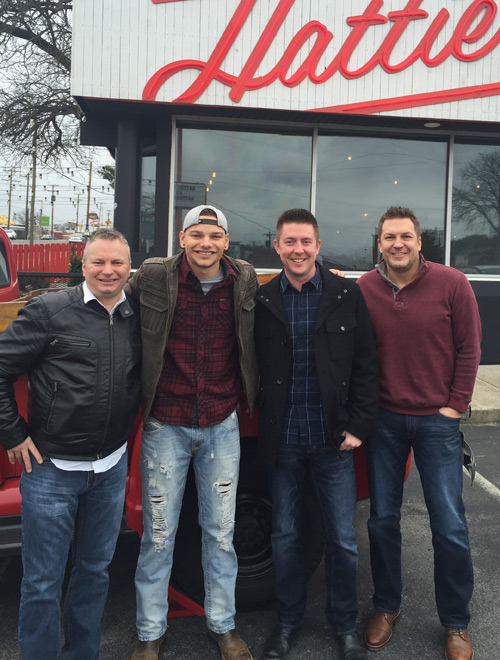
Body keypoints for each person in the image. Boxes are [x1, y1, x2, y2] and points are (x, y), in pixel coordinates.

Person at [0, 228, 141, 660]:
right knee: (42, 583)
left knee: (94, 574)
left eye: (117, 263)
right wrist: (14, 432)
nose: (108, 271)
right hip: (50, 472)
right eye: (98, 262)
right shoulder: (49, 311)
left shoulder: (139, 316)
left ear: (128, 267)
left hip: (111, 468)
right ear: (82, 266)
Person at [126, 205, 258, 660]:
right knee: (159, 533)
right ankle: (149, 632)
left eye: (215, 235)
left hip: (222, 421)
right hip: (166, 422)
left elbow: (281, 290)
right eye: (197, 234)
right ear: (181, 238)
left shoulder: (242, 278)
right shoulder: (152, 276)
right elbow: (108, 295)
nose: (206, 243)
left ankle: (222, 626)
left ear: (226, 241)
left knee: (220, 532)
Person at [254, 209, 379, 660]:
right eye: (289, 242)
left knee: (342, 538)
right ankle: (287, 624)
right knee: (284, 536)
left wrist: (358, 427)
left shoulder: (347, 293)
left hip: (332, 440)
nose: (298, 250)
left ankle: (344, 626)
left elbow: (366, 364)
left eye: (306, 241)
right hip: (282, 438)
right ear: (277, 246)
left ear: (318, 246)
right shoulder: (264, 298)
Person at [357, 207, 481, 660]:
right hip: (384, 422)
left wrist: (455, 407)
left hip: (437, 422)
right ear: (379, 243)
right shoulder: (365, 289)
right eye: (389, 237)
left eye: (405, 236)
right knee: (382, 520)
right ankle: (387, 607)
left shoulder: (453, 283)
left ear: (419, 240)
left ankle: (456, 622)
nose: (398, 244)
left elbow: (470, 348)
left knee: (449, 525)